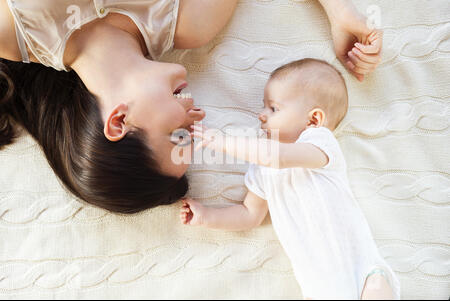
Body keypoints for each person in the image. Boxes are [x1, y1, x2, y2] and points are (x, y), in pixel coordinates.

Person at [0, 0, 383, 214]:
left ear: (119, 120)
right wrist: (339, 11)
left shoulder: (14, 30)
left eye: (178, 135)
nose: (196, 116)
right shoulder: (192, 21)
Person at [180, 58, 400, 300]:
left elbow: (279, 157)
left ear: (314, 120)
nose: (261, 115)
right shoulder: (263, 169)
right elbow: (249, 214)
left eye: (273, 108)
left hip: (364, 274)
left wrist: (222, 142)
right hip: (320, 290)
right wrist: (207, 216)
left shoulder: (320, 144)